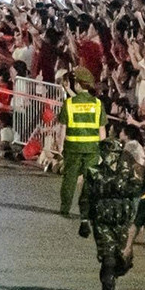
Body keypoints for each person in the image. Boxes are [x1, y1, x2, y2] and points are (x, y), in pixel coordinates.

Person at [78, 141, 144, 290]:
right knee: (108, 258)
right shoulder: (94, 172)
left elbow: (138, 194)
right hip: (102, 222)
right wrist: (84, 220)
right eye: (107, 152)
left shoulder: (129, 172)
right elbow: (86, 197)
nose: (110, 156)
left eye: (114, 153)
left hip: (124, 221)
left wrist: (139, 220)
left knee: (124, 260)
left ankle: (112, 275)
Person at [59, 69, 103, 217]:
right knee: (89, 180)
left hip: (72, 148)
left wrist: (60, 146)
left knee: (70, 179)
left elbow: (62, 128)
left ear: (77, 84)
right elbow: (102, 131)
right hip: (92, 149)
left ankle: (65, 208)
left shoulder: (69, 103)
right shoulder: (98, 104)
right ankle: (86, 210)